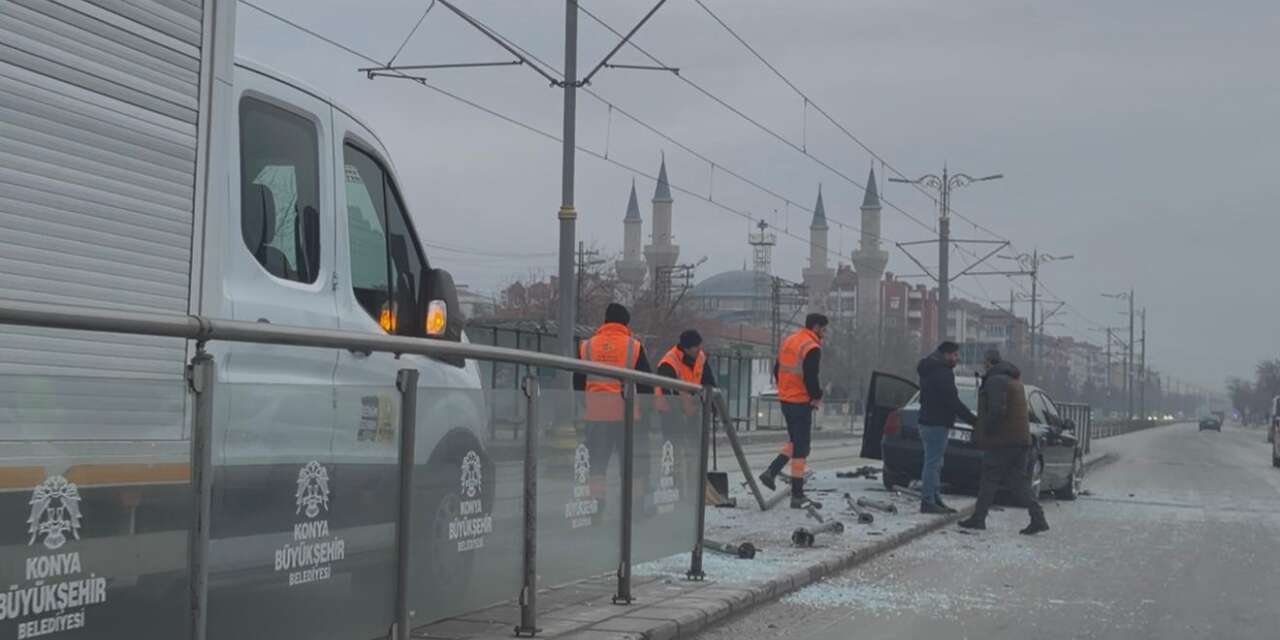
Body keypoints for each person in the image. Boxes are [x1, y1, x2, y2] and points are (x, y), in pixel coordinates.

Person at [959, 350, 1050, 535]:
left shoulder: (995, 381)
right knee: (1019, 483)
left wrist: (987, 431)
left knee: (989, 479)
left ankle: (978, 519)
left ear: (988, 363)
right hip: (1019, 440)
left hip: (1003, 440)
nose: (983, 366)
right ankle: (1038, 517)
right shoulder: (1014, 380)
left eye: (984, 362)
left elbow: (995, 410)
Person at [574, 303, 653, 506]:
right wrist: (644, 411)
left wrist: (588, 404)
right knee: (630, 463)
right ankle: (632, 506)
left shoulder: (587, 345)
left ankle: (596, 506)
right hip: (626, 416)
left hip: (597, 416)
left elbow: (578, 382)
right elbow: (646, 384)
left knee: (598, 465)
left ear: (606, 321)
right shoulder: (633, 346)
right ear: (626, 323)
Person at [759, 313, 828, 509]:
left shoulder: (790, 340)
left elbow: (777, 369)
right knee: (801, 448)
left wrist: (785, 389)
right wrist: (816, 395)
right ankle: (797, 495)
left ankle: (771, 472)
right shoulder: (811, 347)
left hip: (785, 399)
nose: (825, 334)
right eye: (823, 329)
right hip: (800, 401)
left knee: (795, 441)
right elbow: (810, 377)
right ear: (816, 327)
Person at [916, 341, 978, 514]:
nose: (957, 358)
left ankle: (935, 499)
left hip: (928, 421)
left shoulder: (929, 369)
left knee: (935, 463)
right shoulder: (942, 373)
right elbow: (952, 401)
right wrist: (973, 421)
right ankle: (928, 500)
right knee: (932, 464)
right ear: (947, 354)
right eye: (955, 355)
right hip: (937, 423)